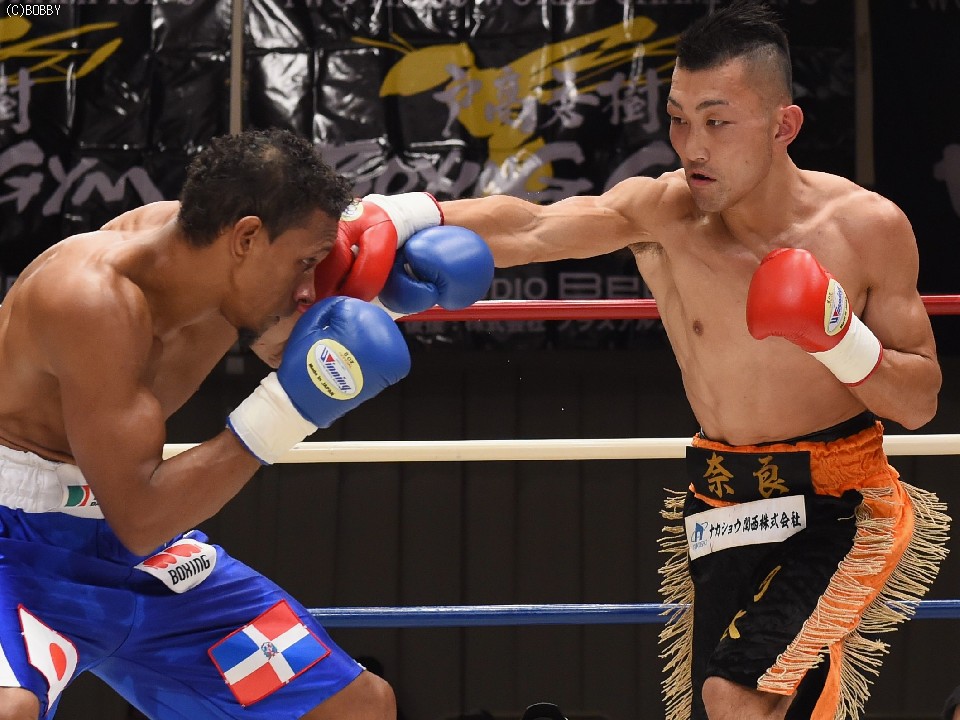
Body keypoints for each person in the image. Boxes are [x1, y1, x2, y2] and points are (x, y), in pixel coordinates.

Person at [336, 2, 950, 719]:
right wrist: (403, 215)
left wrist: (840, 337)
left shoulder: (866, 228)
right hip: (721, 499)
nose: (692, 146)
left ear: (783, 126)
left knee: (735, 695)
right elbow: (533, 226)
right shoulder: (665, 214)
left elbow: (919, 402)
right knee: (758, 705)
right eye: (678, 119)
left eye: (717, 122)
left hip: (839, 501)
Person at [0, 127, 491, 720]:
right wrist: (287, 409)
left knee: (356, 708)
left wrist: (384, 291)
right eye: (304, 264)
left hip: (137, 555)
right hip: (17, 549)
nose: (309, 288)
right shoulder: (90, 299)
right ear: (247, 238)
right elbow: (142, 518)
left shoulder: (219, 258)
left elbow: (527, 228)